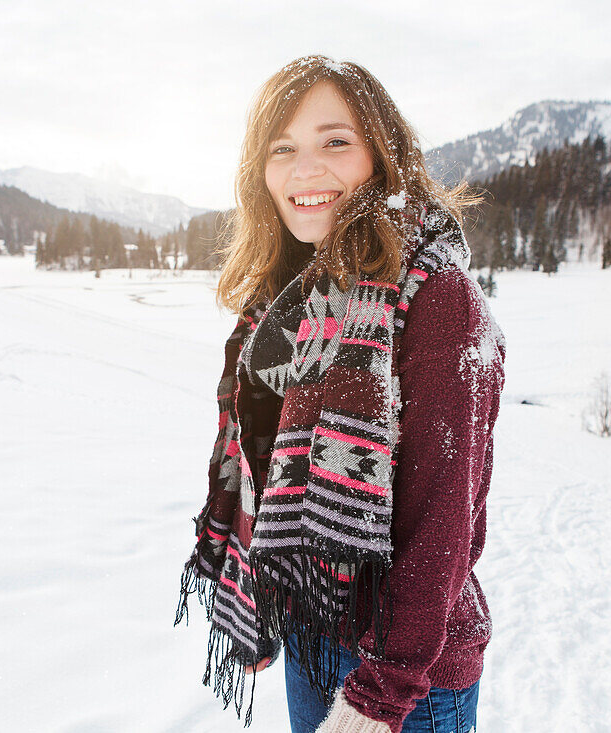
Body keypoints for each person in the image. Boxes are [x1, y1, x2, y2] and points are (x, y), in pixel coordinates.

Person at [175, 55, 506, 733]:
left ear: (383, 155)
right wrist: (264, 599)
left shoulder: (439, 298)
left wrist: (379, 696)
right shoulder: (284, 302)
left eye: (335, 142)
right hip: (312, 632)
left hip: (407, 672)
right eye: (282, 148)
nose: (305, 170)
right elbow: (263, 468)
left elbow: (445, 528)